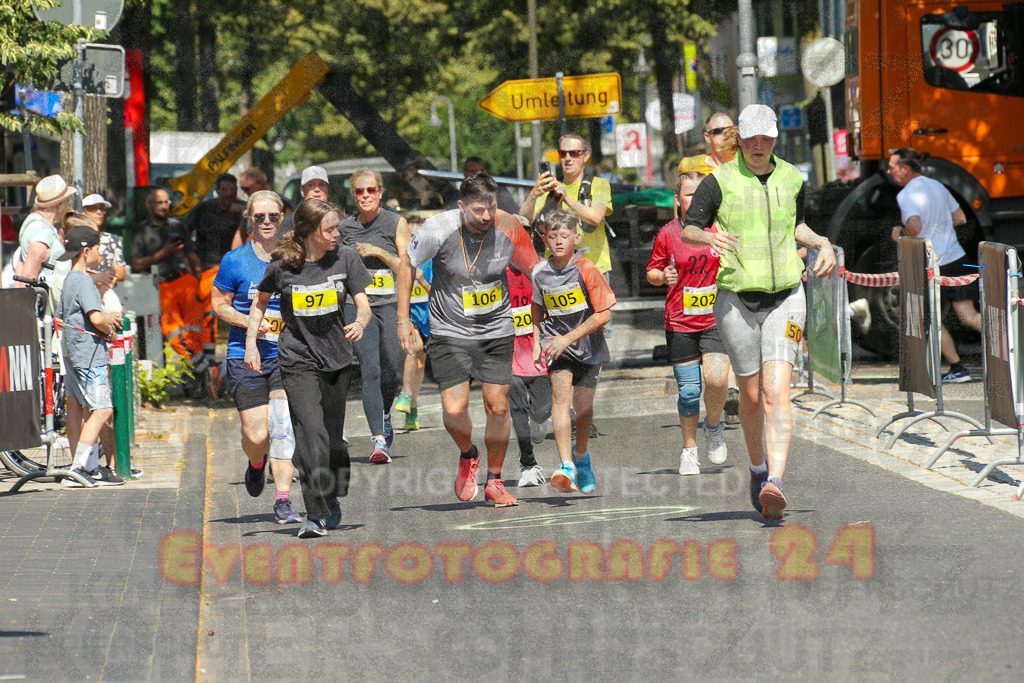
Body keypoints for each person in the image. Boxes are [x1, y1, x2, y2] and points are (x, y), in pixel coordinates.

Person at [681, 104, 836, 521]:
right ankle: (757, 468)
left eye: (766, 139)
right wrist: (707, 238)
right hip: (736, 299)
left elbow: (796, 226)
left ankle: (776, 482)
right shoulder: (720, 181)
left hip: (787, 293)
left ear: (774, 140)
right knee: (749, 395)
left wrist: (821, 241)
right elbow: (689, 226)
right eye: (751, 139)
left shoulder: (791, 176)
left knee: (775, 393)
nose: (759, 146)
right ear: (740, 139)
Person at [397, 173, 539, 507]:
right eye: (478, 210)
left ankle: (495, 480)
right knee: (453, 409)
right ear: (462, 207)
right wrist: (403, 319)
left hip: (496, 328)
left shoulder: (507, 226)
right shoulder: (437, 228)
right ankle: (468, 453)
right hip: (450, 331)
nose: (487, 216)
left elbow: (535, 269)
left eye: (491, 207)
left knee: (498, 405)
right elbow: (406, 263)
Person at [246, 199, 372, 538]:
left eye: (336, 228)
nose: (336, 234)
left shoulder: (345, 258)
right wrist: (251, 344)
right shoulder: (283, 264)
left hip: (337, 359)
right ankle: (315, 514)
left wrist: (360, 322)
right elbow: (259, 305)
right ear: (309, 231)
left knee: (333, 443)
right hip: (297, 359)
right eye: (329, 229)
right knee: (309, 434)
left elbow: (363, 304)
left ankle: (334, 486)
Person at [212, 190, 301, 524]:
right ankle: (255, 462)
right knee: (256, 436)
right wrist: (249, 322)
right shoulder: (235, 261)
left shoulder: (294, 257)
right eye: (259, 217)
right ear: (249, 219)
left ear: (283, 218)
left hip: (287, 355)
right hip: (245, 356)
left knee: (282, 428)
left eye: (273, 217)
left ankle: (282, 499)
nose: (266, 223)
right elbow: (218, 304)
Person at [647, 171, 732, 475]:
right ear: (677, 200)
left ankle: (713, 426)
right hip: (680, 323)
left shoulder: (719, 229)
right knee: (688, 392)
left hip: (714, 319)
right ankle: (689, 449)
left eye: (700, 194)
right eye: (688, 195)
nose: (695, 200)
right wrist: (663, 277)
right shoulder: (668, 234)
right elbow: (652, 272)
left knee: (718, 380)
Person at [530, 209, 616, 494]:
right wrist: (536, 341)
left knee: (583, 409)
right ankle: (565, 464)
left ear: (576, 237)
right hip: (556, 344)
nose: (558, 241)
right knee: (560, 395)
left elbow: (603, 315)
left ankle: (581, 457)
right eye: (552, 236)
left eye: (564, 236)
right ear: (544, 239)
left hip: (587, 346)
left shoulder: (586, 268)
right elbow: (537, 308)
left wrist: (569, 337)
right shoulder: (539, 272)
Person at [888, 148, 981, 383]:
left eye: (892, 167)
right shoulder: (938, 185)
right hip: (956, 258)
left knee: (930, 318)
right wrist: (939, 225)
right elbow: (960, 218)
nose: (889, 171)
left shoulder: (906, 194)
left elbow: (915, 227)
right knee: (969, 316)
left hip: (930, 264)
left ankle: (958, 368)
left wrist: (900, 235)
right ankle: (1012, 341)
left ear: (906, 169)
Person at [339, 168, 410, 464]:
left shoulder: (396, 223)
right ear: (353, 195)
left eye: (370, 190)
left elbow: (407, 268)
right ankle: (379, 440)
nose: (365, 196)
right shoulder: (344, 228)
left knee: (391, 370)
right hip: (358, 307)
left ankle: (384, 413)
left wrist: (378, 253)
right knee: (370, 368)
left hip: (390, 304)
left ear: (380, 192)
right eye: (359, 191)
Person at [678, 112, 742, 423]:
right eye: (718, 131)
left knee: (733, 318)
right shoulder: (691, 167)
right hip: (703, 251)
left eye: (730, 130)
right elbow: (679, 212)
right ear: (707, 136)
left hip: (736, 249)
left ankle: (731, 389)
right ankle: (724, 388)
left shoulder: (745, 163)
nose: (724, 136)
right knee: (713, 318)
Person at [56, 225, 125, 487]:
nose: (99, 255)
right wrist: (109, 329)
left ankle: (91, 466)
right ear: (86, 252)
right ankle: (79, 468)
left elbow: (63, 317)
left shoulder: (69, 280)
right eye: (97, 250)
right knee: (102, 408)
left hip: (72, 350)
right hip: (89, 352)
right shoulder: (84, 280)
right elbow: (96, 318)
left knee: (76, 406)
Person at [520, 133, 614, 283]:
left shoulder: (599, 185)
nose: (568, 158)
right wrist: (533, 195)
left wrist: (566, 198)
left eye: (575, 153)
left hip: (593, 270)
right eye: (563, 153)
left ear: (586, 156)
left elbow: (596, 218)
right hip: (557, 272)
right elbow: (523, 221)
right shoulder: (549, 189)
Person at [132, 188, 205, 370]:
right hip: (161, 285)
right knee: (172, 331)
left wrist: (198, 281)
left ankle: (198, 375)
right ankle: (200, 367)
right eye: (160, 203)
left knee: (195, 329)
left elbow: (192, 255)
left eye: (167, 202)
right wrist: (163, 253)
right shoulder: (141, 231)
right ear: (149, 205)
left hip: (185, 281)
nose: (165, 206)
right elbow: (137, 265)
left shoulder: (178, 226)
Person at [186, 173, 246, 386]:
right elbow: (184, 231)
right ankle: (205, 367)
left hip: (237, 268)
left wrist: (245, 212)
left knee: (242, 311)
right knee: (204, 317)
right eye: (224, 189)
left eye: (233, 189)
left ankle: (241, 362)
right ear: (217, 191)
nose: (228, 194)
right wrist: (193, 261)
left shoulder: (244, 210)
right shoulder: (204, 209)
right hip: (209, 268)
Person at [507, 263, 551, 487]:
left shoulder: (542, 270)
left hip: (538, 353)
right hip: (507, 354)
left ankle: (539, 421)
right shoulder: (495, 272)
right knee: (517, 412)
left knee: (542, 411)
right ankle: (528, 464)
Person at [393, 213, 433, 431]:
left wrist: (420, 278)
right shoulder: (403, 257)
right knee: (413, 348)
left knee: (420, 362)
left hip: (432, 317)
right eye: (411, 235)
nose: (415, 240)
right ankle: (406, 395)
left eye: (419, 235)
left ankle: (413, 405)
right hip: (412, 316)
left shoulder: (433, 259)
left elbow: (436, 292)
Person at [6, 175, 76, 297]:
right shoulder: (42, 230)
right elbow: (28, 276)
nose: (68, 206)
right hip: (44, 307)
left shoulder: (33, 221)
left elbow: (20, 268)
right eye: (67, 201)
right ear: (59, 204)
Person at [444, 157, 519, 214]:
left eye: (481, 170)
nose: (478, 174)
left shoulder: (500, 193)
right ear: (465, 173)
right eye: (473, 171)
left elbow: (516, 217)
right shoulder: (457, 197)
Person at [278, 166, 330, 238]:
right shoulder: (291, 221)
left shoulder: (338, 218)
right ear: (302, 191)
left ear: (327, 191)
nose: (317, 189)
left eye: (321, 185)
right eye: (311, 185)